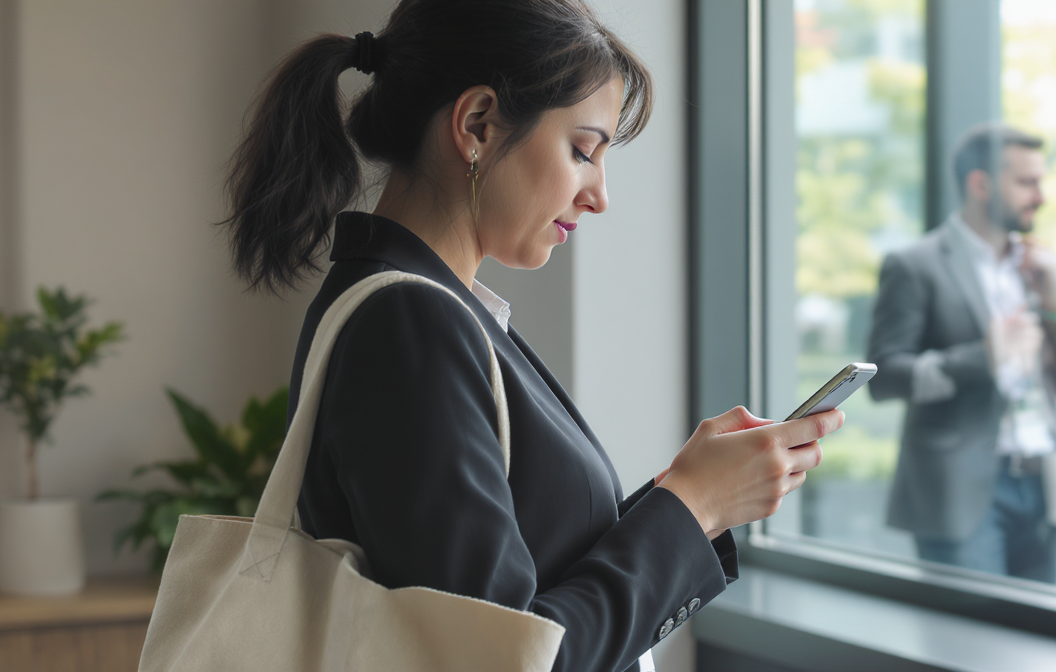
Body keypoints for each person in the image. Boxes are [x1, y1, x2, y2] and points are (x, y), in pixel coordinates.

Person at [217, 2, 843, 671]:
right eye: (582, 151)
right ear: (477, 125)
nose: (599, 195)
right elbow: (504, 657)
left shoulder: (432, 311)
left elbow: (522, 583)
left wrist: (688, 495)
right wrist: (692, 507)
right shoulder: (408, 322)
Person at [867, 123, 1056, 583]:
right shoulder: (915, 265)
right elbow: (884, 377)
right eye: (1027, 182)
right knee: (971, 628)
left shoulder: (1036, 267)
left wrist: (1054, 305)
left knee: (1040, 628)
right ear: (980, 184)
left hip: (1041, 481)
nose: (1041, 196)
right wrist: (983, 357)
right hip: (960, 490)